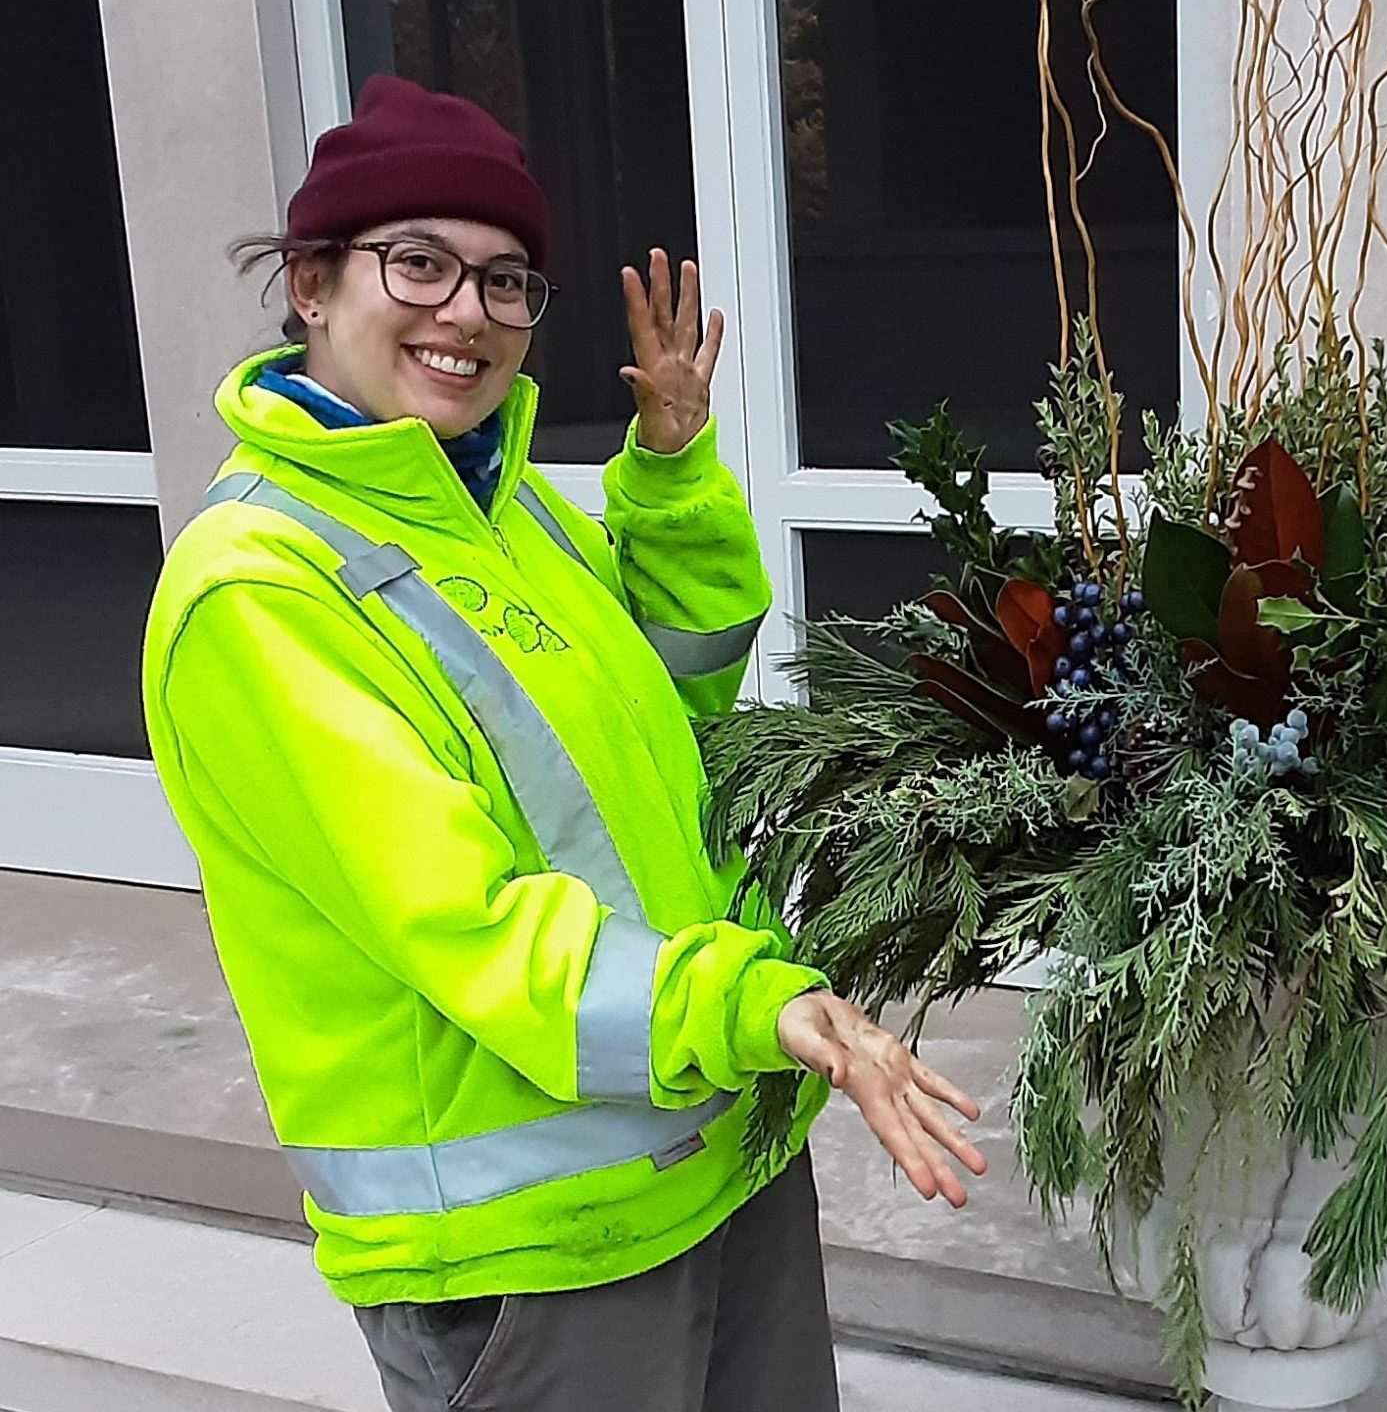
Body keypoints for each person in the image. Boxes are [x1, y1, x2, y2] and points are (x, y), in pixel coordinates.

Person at [142, 74, 987, 1412]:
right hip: (525, 1242)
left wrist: (668, 470)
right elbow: (472, 922)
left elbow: (674, 699)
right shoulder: (262, 591)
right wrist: (756, 1005)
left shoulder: (501, 508)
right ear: (312, 281)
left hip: (709, 1147)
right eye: (418, 263)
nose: (466, 313)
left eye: (506, 281)